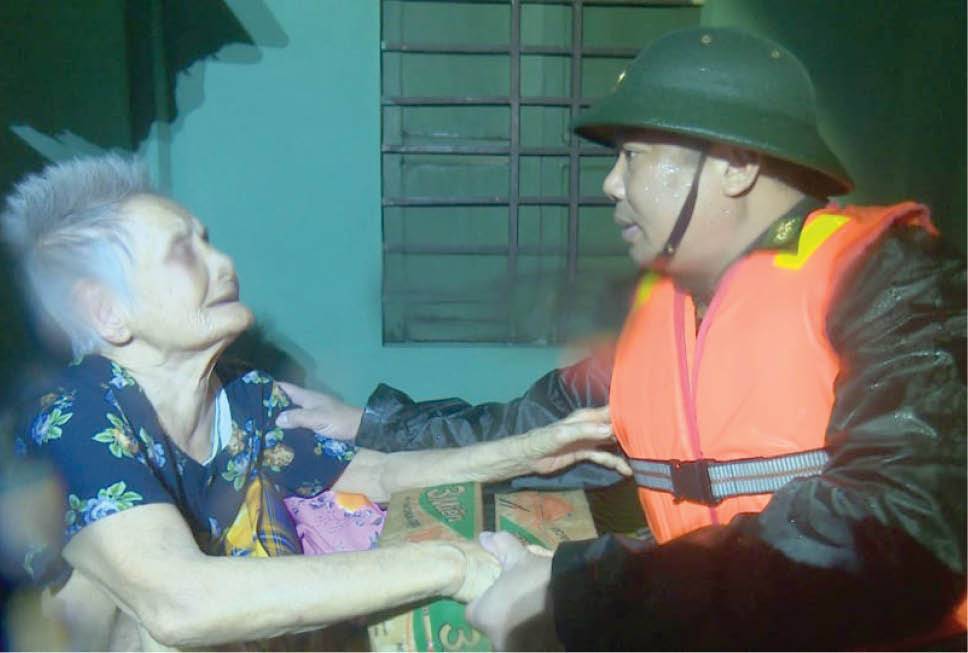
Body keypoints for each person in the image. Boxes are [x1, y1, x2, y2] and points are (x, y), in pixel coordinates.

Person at [277, 27, 967, 650]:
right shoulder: (666, 305)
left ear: (736, 163)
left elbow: (904, 524)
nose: (611, 183)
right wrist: (372, 424)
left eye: (633, 156)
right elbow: (533, 426)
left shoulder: (892, 275)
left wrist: (587, 592)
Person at [0, 154, 632, 650]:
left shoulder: (242, 397)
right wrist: (456, 565)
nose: (223, 262)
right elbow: (180, 602)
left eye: (208, 240)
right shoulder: (72, 416)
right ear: (107, 312)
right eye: (182, 252)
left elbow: (379, 472)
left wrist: (533, 451)